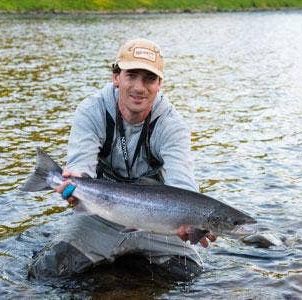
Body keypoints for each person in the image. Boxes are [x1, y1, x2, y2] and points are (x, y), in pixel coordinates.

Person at [28, 38, 216, 280]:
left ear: (159, 84)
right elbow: (80, 167)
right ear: (116, 76)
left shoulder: (172, 125)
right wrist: (71, 182)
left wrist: (192, 220)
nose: (139, 87)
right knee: (48, 272)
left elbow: (184, 186)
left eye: (149, 78)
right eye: (131, 75)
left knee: (192, 278)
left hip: (157, 224)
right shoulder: (92, 111)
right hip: (101, 216)